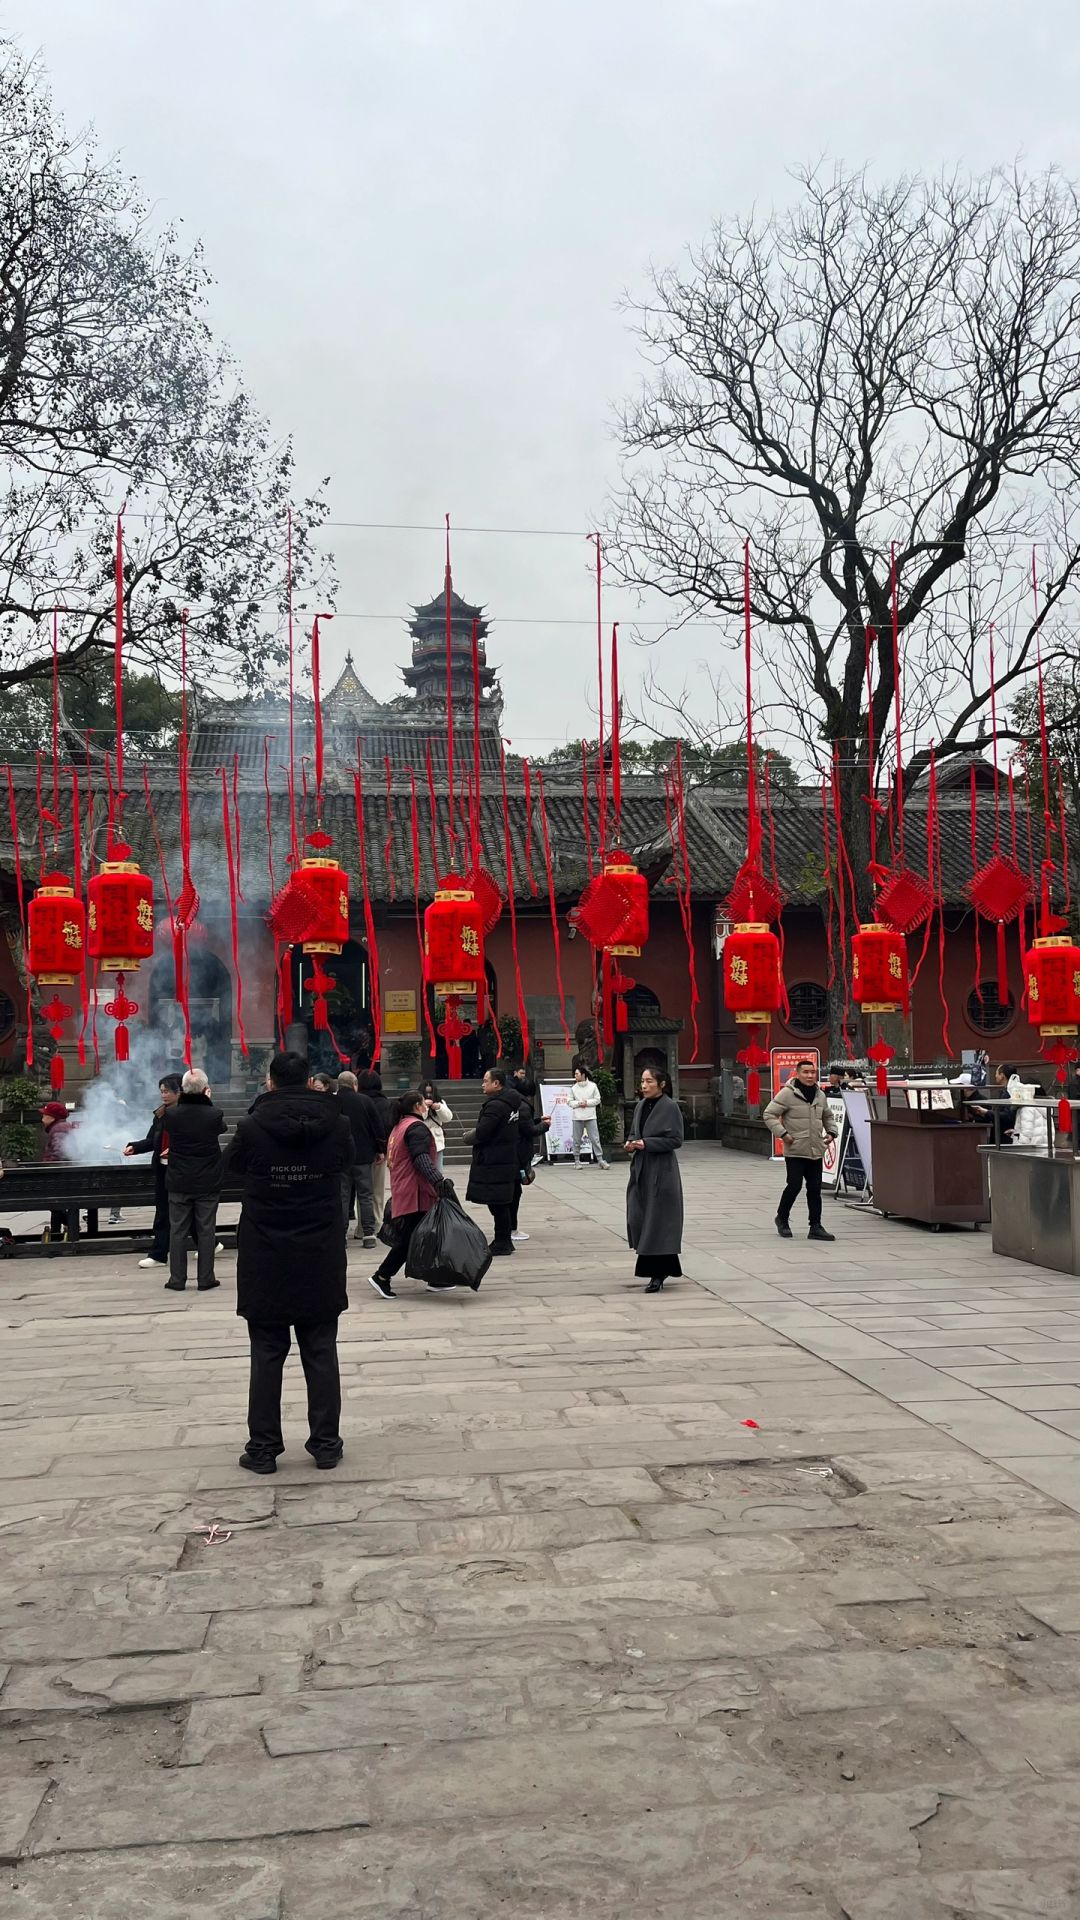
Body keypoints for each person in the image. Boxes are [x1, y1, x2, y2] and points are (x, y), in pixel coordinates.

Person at [227, 1049, 354, 1472]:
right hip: (319, 1251)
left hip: (267, 1254)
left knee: (266, 1352)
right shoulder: (337, 1126)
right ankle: (326, 1445)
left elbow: (231, 1171)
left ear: (271, 1082)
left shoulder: (250, 1126)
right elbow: (347, 1163)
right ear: (310, 1081)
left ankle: (263, 1449)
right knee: (320, 1350)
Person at [368, 1089, 447, 1299]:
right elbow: (421, 1159)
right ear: (417, 1107)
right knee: (411, 1238)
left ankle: (435, 1278)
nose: (426, 1107)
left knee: (424, 1235)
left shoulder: (399, 1126)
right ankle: (382, 1276)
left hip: (404, 1188)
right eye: (423, 1103)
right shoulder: (416, 1129)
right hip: (416, 1191)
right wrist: (438, 1181)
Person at [164, 1068, 227, 1292]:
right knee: (206, 1229)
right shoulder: (214, 1114)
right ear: (205, 1089)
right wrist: (207, 1102)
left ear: (182, 1089)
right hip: (207, 1180)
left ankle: (177, 1279)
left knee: (178, 1230)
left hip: (179, 1179)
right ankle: (205, 1278)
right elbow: (221, 1129)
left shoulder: (171, 1114)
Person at [763, 1058, 839, 1242]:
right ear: (797, 1074)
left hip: (816, 1149)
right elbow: (769, 1114)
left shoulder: (820, 1094)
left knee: (814, 1189)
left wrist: (831, 1132)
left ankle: (815, 1226)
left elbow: (827, 1115)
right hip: (796, 1149)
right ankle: (782, 1218)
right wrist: (783, 1134)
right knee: (794, 1185)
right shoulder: (787, 1094)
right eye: (805, 1072)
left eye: (812, 1072)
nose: (810, 1075)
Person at [625, 1066, 684, 1292]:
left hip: (662, 1169)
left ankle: (658, 1274)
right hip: (641, 1166)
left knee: (659, 1220)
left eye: (649, 1081)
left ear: (662, 1084)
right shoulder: (641, 1105)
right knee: (639, 1215)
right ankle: (655, 1270)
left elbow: (676, 1140)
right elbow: (634, 1132)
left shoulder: (670, 1107)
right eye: (642, 1081)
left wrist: (648, 1144)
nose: (644, 1085)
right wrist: (632, 1143)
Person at [125, 1074, 184, 1270]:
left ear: (179, 1091)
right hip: (162, 1168)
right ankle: (159, 1254)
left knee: (188, 1210)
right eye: (161, 1091)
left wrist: (176, 1150)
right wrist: (135, 1147)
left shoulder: (189, 1113)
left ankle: (210, 1244)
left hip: (184, 1169)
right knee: (163, 1212)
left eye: (167, 1091)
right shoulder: (160, 1114)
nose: (163, 1095)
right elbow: (152, 1140)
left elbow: (196, 1140)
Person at [466, 1066, 520, 1254]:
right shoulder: (511, 1103)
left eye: (486, 1081)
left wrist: (469, 1137)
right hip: (505, 1158)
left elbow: (483, 1132)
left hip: (495, 1160)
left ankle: (502, 1241)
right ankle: (503, 1240)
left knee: (498, 1203)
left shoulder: (496, 1106)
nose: (483, 1084)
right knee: (500, 1203)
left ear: (497, 1084)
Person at [335, 1068, 386, 1247]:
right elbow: (377, 1127)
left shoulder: (331, 1102)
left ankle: (341, 1235)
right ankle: (368, 1234)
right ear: (354, 1085)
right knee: (366, 1195)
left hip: (340, 1157)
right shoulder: (365, 1101)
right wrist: (381, 1149)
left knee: (342, 1195)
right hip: (363, 1155)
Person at [505, 1069, 549, 1242]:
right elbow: (528, 1130)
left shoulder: (516, 1103)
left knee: (514, 1190)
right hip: (518, 1153)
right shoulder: (523, 1106)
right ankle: (511, 1229)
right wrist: (544, 1126)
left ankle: (510, 1227)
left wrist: (538, 1119)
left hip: (514, 1153)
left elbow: (527, 1124)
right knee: (515, 1192)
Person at [358, 1068, 392, 1224]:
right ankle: (377, 1222)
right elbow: (387, 1126)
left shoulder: (358, 1101)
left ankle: (362, 1225)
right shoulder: (385, 1103)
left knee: (362, 1192)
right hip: (380, 1152)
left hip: (360, 1152)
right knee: (377, 1190)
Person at [41, 1101, 77, 1241]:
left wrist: (49, 1167)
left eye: (45, 1115)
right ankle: (57, 1232)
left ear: (52, 1117)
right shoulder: (59, 1127)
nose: (42, 1119)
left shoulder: (59, 1129)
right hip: (59, 1175)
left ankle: (68, 1227)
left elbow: (59, 1153)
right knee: (56, 1205)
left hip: (58, 1176)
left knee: (55, 1203)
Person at [569, 1064, 609, 1169]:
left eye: (577, 1074)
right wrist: (578, 1103)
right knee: (577, 1139)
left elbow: (597, 1099)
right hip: (577, 1117)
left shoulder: (593, 1086)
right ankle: (577, 1161)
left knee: (595, 1139)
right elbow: (569, 1102)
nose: (575, 1076)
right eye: (575, 1074)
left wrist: (587, 1102)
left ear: (583, 1074)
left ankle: (600, 1160)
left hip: (590, 1116)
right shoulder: (573, 1088)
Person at [420, 1080, 454, 1174]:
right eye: (426, 1092)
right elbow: (420, 1117)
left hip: (437, 1140)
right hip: (422, 1138)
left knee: (437, 1170)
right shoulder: (417, 1103)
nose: (428, 1095)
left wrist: (439, 1108)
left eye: (430, 1092)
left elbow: (448, 1118)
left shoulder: (440, 1101)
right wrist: (425, 1107)